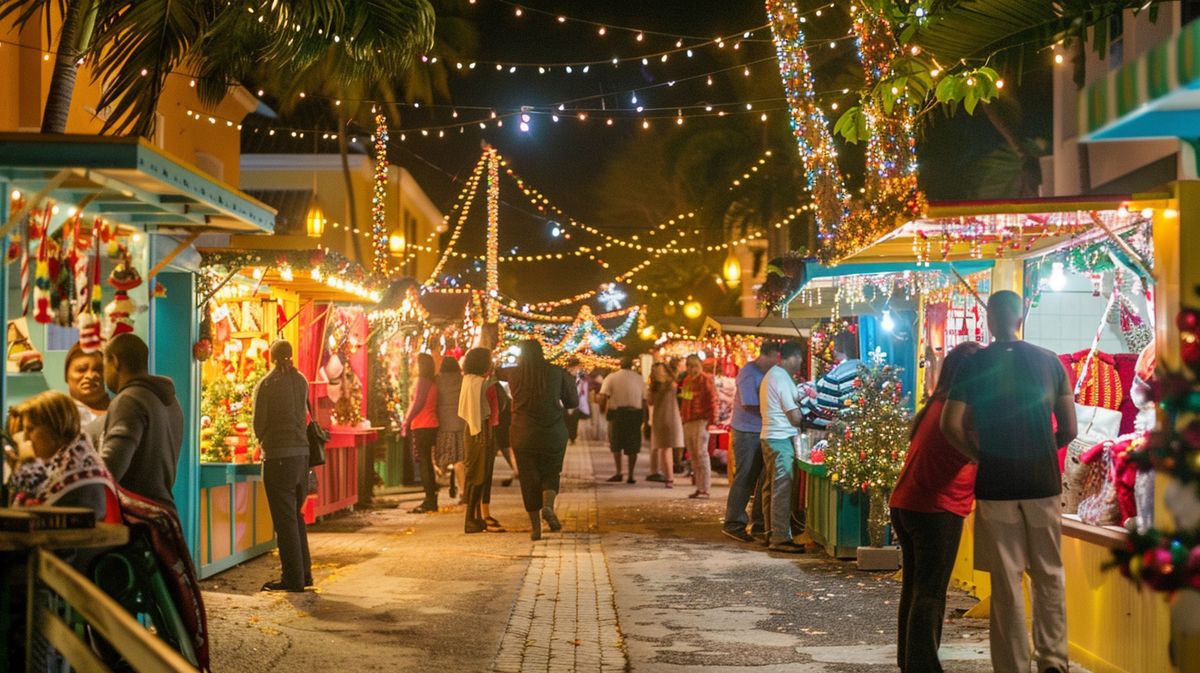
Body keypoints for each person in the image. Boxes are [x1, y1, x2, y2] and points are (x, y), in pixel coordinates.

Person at [941, 290, 1076, 673]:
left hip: (996, 483)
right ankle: (1053, 660)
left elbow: (949, 424)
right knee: (1049, 573)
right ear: (1020, 317)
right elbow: (1069, 427)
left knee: (1006, 581)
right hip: (1042, 482)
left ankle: (1013, 666)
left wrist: (980, 454)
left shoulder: (974, 365)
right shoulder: (1050, 362)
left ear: (989, 319)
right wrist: (1043, 450)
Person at [889, 342, 983, 673]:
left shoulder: (938, 403)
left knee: (916, 588)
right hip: (934, 508)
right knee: (930, 592)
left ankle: (911, 662)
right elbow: (978, 447)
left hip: (909, 504)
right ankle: (923, 665)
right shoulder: (960, 411)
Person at [252, 340, 313, 593]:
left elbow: (258, 423)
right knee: (295, 516)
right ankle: (304, 573)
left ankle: (293, 579)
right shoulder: (301, 380)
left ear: (271, 357)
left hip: (278, 455)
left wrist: (264, 438)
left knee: (285, 520)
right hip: (302, 456)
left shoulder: (267, 383)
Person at [100, 333, 184, 510]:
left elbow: (110, 467)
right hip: (163, 512)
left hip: (137, 518)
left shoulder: (129, 400)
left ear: (115, 361)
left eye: (103, 366)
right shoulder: (170, 401)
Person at [508, 340, 578, 541]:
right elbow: (572, 402)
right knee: (551, 471)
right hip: (552, 432)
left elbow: (497, 373)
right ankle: (547, 506)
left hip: (522, 432)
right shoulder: (556, 371)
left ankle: (535, 528)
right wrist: (569, 380)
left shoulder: (513, 373)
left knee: (528, 478)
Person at [723, 342, 779, 542]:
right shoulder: (749, 372)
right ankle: (734, 523)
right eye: (775, 358)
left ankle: (759, 524)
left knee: (763, 479)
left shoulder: (765, 373)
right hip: (747, 432)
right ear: (767, 354)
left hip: (762, 431)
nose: (776, 363)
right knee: (746, 477)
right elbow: (749, 403)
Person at [758, 340, 808, 553]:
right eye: (800, 358)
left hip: (770, 437)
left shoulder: (775, 376)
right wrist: (807, 414)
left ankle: (770, 532)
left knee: (771, 487)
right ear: (794, 357)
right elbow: (794, 417)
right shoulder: (780, 378)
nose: (801, 363)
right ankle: (779, 537)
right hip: (780, 438)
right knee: (782, 487)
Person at [459, 347, 499, 534]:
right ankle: (470, 520)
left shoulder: (467, 380)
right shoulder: (482, 383)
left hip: (470, 430)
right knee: (479, 475)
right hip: (481, 431)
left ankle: (474, 518)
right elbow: (493, 407)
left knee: (474, 472)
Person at [598, 356, 646, 483]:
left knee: (616, 443)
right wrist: (645, 416)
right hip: (635, 413)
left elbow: (603, 396)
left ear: (620, 364)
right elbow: (644, 399)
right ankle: (631, 474)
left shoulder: (612, 377)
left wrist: (602, 410)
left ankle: (619, 472)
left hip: (617, 413)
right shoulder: (639, 378)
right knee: (633, 445)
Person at [405, 353, 441, 513]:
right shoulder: (433, 382)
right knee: (427, 462)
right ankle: (431, 498)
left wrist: (406, 420)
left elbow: (418, 403)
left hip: (422, 424)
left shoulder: (423, 382)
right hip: (431, 423)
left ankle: (429, 499)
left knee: (424, 463)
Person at [679, 354, 717, 499]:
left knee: (701, 454)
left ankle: (705, 488)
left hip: (701, 421)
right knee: (693, 455)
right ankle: (699, 487)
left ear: (700, 366)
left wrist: (711, 420)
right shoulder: (687, 380)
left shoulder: (705, 379)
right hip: (689, 421)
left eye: (694, 366)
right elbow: (685, 401)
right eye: (689, 366)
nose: (692, 369)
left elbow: (712, 400)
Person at [645, 362, 684, 489]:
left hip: (660, 418)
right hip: (672, 417)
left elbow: (650, 402)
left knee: (664, 449)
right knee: (669, 449)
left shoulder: (654, 387)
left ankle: (669, 477)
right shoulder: (672, 384)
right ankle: (670, 477)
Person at [435, 356, 466, 502]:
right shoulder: (463, 380)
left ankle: (441, 474)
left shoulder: (437, 381)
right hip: (461, 425)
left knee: (444, 456)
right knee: (460, 459)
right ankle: (462, 490)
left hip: (444, 425)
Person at [64, 342, 110, 426]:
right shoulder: (59, 416)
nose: (90, 376)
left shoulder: (121, 409)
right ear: (66, 375)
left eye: (98, 369)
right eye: (81, 369)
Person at [563, 358, 591, 444]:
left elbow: (583, 388)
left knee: (573, 420)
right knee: (567, 419)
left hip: (575, 400)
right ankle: (569, 436)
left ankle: (572, 437)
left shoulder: (581, 374)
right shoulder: (565, 374)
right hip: (566, 399)